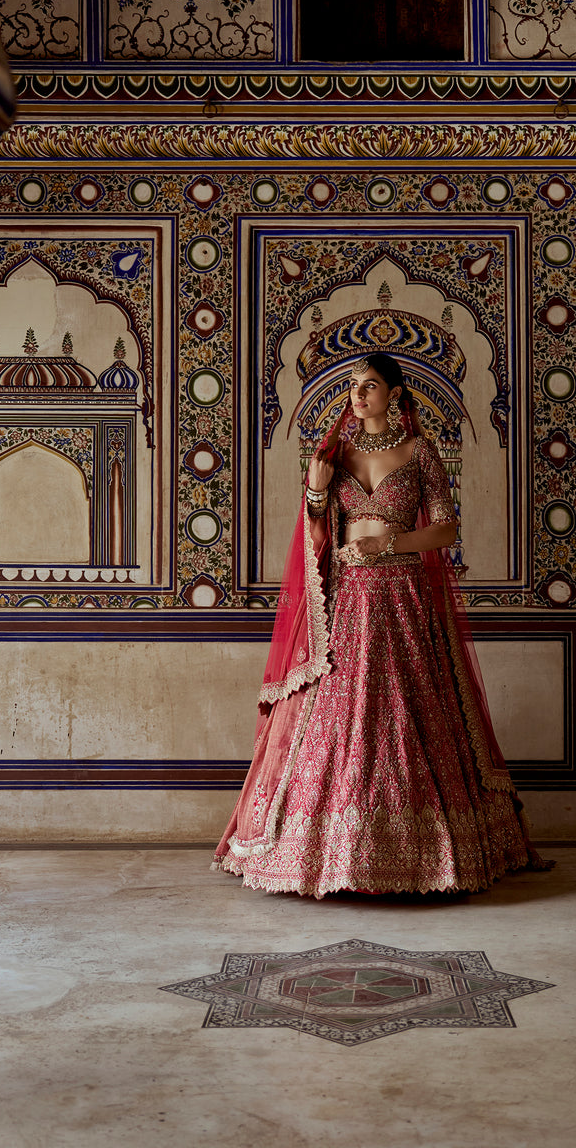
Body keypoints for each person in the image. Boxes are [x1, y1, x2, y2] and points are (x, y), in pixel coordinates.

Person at [213, 351, 550, 898]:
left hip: (404, 599)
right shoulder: (333, 454)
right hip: (346, 604)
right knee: (342, 714)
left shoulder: (420, 452)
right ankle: (330, 856)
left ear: (393, 393)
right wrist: (317, 490)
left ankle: (426, 855)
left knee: (410, 707)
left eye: (369, 385)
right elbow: (314, 533)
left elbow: (444, 530)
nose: (357, 394)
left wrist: (388, 543)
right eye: (352, 385)